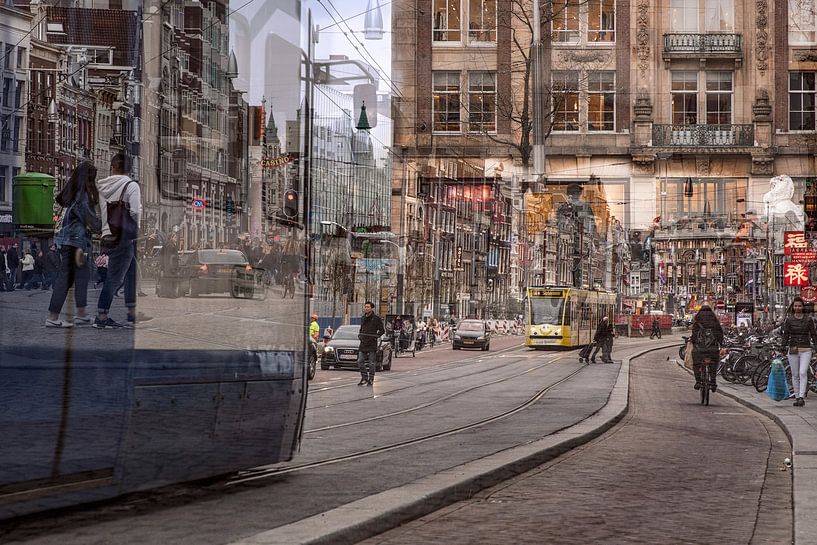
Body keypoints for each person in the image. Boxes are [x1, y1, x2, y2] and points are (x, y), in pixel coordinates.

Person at [94, 152, 149, 329]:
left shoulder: (102, 186)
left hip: (107, 235)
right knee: (114, 278)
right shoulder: (131, 186)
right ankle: (102, 316)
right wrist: (135, 229)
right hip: (124, 237)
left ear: (112, 167)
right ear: (129, 169)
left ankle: (132, 312)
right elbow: (135, 211)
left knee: (132, 273)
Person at [45, 161, 102, 327]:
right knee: (66, 277)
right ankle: (53, 317)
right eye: (92, 178)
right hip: (74, 242)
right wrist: (103, 226)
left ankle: (81, 313)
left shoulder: (71, 194)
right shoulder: (82, 196)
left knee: (82, 275)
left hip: (68, 241)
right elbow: (90, 218)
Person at [782, 296, 817, 407]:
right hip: (793, 349)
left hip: (806, 349)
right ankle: (797, 397)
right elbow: (786, 335)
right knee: (795, 374)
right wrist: (783, 347)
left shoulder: (808, 320)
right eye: (795, 306)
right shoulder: (789, 320)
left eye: (799, 306)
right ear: (793, 307)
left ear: (803, 307)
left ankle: (801, 396)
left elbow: (814, 334)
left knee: (802, 372)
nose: (797, 308)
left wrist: (816, 347)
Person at [690, 305, 725, 393]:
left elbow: (694, 336)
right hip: (712, 349)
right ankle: (713, 383)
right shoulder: (715, 322)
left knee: (696, 364)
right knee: (714, 364)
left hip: (699, 349)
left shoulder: (697, 322)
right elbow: (720, 335)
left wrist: (693, 342)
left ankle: (698, 382)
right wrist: (721, 344)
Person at [357, 301, 385, 386]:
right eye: (365, 307)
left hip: (372, 343)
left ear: (371, 308)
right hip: (363, 343)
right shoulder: (363, 318)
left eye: (368, 307)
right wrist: (360, 335)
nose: (366, 308)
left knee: (371, 363)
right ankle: (364, 377)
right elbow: (361, 328)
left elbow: (382, 330)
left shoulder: (376, 318)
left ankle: (371, 379)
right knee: (360, 361)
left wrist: (376, 336)